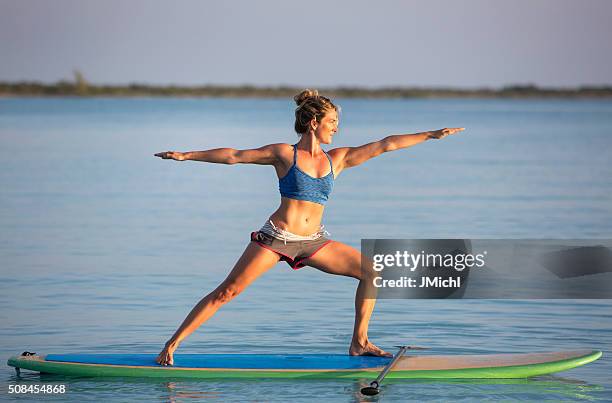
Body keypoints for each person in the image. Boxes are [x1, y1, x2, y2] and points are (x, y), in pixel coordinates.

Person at [154, 89, 464, 365]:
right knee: (228, 291)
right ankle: (172, 344)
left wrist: (430, 134)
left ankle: (359, 342)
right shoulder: (284, 154)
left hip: (313, 242)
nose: (336, 128)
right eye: (332, 122)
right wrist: (186, 155)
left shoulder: (337, 159)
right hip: (276, 238)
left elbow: (386, 144)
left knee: (372, 272)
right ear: (314, 122)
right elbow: (235, 156)